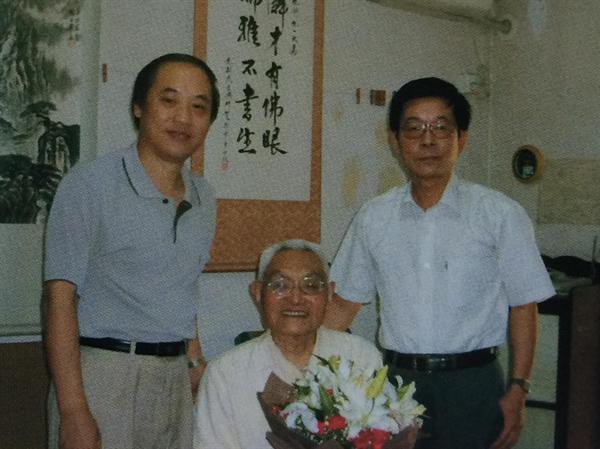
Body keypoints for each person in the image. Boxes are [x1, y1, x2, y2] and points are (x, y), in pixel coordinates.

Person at [324, 77, 555, 449]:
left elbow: (523, 305)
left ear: (461, 139)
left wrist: (519, 387)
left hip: (474, 384)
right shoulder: (373, 218)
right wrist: (293, 353)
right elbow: (344, 303)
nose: (427, 140)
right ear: (395, 142)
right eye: (414, 128)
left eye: (441, 128)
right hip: (397, 383)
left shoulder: (500, 214)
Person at [44, 53, 220, 449]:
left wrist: (195, 362)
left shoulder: (204, 197)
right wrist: (73, 410)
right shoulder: (89, 184)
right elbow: (59, 298)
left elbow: (182, 287)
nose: (183, 118)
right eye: (169, 100)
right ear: (138, 107)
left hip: (175, 379)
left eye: (198, 107)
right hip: (103, 378)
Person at [193, 240, 387, 449]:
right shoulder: (225, 374)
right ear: (258, 293)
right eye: (280, 285)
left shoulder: (361, 357)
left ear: (330, 293)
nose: (295, 298)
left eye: (311, 285)